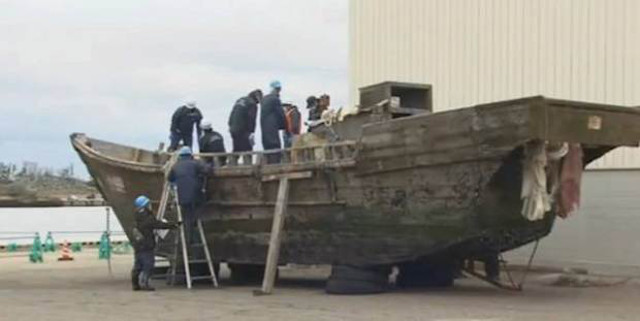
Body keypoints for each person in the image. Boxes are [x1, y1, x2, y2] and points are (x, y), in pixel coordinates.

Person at [131, 195, 179, 291]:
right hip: (147, 245)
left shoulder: (137, 216)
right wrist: (173, 225)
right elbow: (158, 224)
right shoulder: (147, 217)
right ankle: (144, 283)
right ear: (146, 205)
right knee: (148, 265)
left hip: (138, 245)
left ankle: (135, 283)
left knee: (138, 265)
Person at [168, 147, 210, 246]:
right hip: (196, 196)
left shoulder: (176, 166)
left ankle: (188, 240)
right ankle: (194, 237)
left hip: (182, 197)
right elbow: (206, 171)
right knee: (195, 215)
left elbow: (169, 178)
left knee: (187, 217)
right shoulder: (195, 163)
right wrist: (209, 166)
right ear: (190, 155)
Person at [260, 80, 286, 163]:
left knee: (267, 148)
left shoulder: (264, 99)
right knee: (275, 148)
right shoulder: (275, 99)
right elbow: (281, 114)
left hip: (264, 129)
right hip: (273, 128)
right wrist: (283, 126)